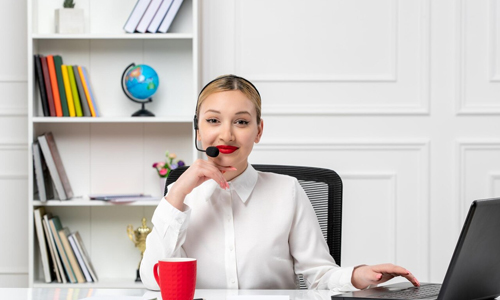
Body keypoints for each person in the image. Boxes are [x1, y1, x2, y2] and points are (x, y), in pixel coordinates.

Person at [140, 75, 420, 291]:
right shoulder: (180, 199)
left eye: (241, 122)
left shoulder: (287, 191)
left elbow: (319, 276)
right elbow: (153, 280)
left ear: (258, 131)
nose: (226, 134)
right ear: (199, 132)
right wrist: (176, 195)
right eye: (213, 120)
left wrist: (357, 276)